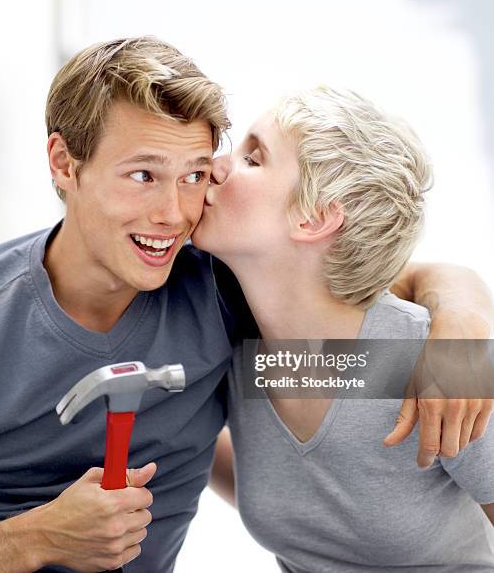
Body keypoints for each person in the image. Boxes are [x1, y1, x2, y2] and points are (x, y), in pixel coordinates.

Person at [0, 38, 491, 573]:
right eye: (143, 175)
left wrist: (463, 329)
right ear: (65, 163)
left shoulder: (231, 297)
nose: (175, 212)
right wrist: (25, 542)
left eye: (198, 172)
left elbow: (374, 320)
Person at [194, 86, 494, 571]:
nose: (217, 165)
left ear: (314, 217)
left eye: (253, 158)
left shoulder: (435, 367)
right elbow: (309, 484)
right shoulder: (240, 351)